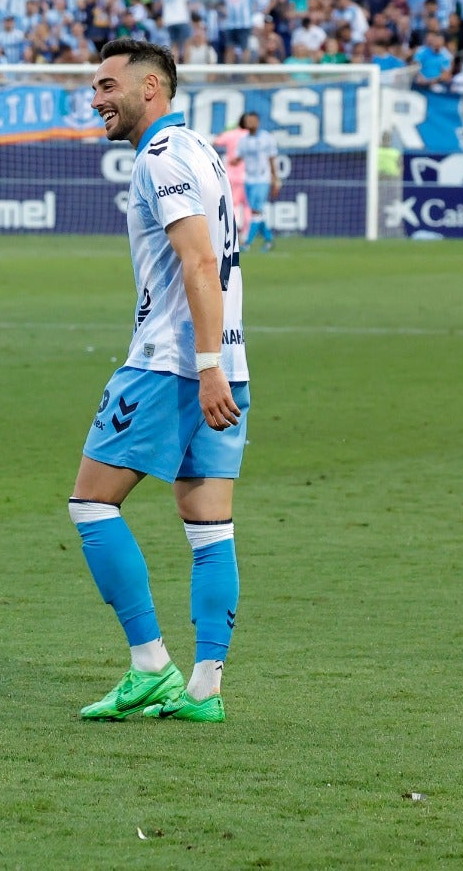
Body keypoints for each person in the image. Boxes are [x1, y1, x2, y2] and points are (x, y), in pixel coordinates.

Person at [74, 38, 250, 724]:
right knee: (210, 527)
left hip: (172, 363)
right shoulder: (202, 150)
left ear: (151, 88)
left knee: (92, 504)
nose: (96, 99)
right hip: (228, 361)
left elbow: (200, 264)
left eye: (107, 85)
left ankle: (150, 666)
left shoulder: (163, 158)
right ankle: (205, 690)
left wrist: (204, 369)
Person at [237, 112, 281, 251]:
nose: (250, 123)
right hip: (249, 179)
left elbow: (272, 159)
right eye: (248, 120)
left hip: (262, 178)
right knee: (256, 212)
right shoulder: (243, 140)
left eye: (253, 120)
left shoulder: (266, 138)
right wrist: (234, 161)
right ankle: (269, 240)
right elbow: (240, 157)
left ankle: (247, 243)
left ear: (258, 122)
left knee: (256, 211)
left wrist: (275, 179)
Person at [212, 116, 250, 236]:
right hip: (249, 175)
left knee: (232, 203)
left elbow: (215, 141)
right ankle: (246, 233)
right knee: (247, 206)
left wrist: (225, 133)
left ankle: (232, 231)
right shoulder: (251, 135)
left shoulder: (231, 134)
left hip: (232, 175)